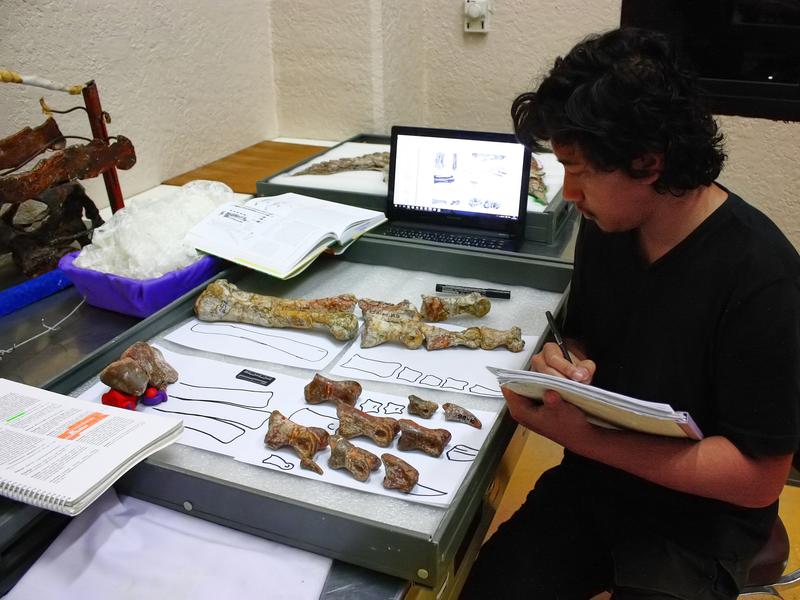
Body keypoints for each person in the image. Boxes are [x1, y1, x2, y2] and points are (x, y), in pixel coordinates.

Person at [460, 27, 800, 600]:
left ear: (647, 163)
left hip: (699, 524)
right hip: (595, 489)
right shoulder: (610, 226)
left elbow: (756, 478)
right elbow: (586, 334)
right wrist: (567, 363)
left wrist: (582, 435)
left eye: (580, 170)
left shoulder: (763, 277)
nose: (570, 193)